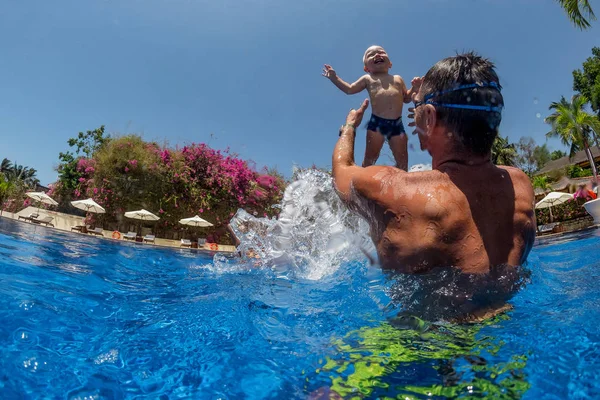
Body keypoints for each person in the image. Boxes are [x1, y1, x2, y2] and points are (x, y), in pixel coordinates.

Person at [332, 52, 536, 320]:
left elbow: (341, 173)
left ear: (429, 116)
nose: (412, 115)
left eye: (416, 107)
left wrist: (349, 126)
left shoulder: (397, 192)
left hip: (421, 342)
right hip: (500, 330)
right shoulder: (520, 185)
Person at [323, 45, 421, 170]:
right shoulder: (368, 78)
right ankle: (363, 180)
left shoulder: (398, 79)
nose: (377, 55)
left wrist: (414, 88)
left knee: (402, 161)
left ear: (390, 64)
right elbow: (349, 89)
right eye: (371, 54)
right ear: (366, 68)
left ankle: (402, 181)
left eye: (381, 52)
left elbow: (406, 98)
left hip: (397, 124)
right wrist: (334, 78)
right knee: (370, 158)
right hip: (377, 123)